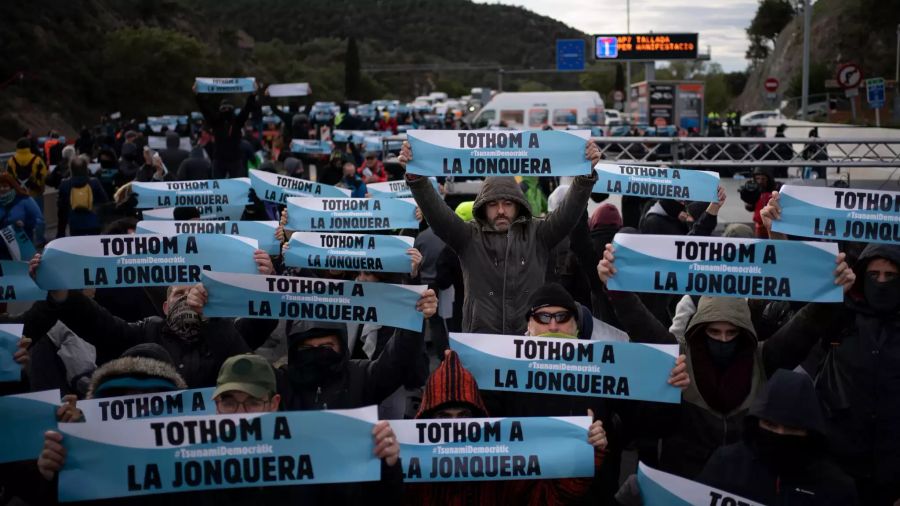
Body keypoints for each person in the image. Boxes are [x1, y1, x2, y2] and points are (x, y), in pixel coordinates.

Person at [597, 244, 855, 479]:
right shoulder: (679, 356)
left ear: (744, 333)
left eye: (731, 334)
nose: (723, 340)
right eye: (714, 333)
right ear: (699, 330)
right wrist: (615, 287)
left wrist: (831, 296)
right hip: (685, 478)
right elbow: (640, 323)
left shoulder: (762, 357)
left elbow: (803, 329)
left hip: (743, 481)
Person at [759, 192, 900, 504]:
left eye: (891, 276)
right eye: (874, 275)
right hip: (839, 459)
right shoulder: (840, 313)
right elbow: (798, 284)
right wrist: (776, 231)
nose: (882, 281)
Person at [399, 140, 600, 335]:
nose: (501, 210)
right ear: (483, 207)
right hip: (481, 343)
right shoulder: (468, 237)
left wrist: (584, 176)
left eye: (508, 204)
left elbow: (568, 214)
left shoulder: (539, 233)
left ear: (518, 204)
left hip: (528, 344)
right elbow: (437, 214)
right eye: (493, 204)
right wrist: (418, 180)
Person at [28, 248, 275, 386]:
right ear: (166, 307)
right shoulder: (147, 332)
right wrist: (63, 294)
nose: (188, 298)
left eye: (195, 293)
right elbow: (100, 325)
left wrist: (269, 281)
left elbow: (262, 321)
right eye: (180, 293)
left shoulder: (227, 331)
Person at [406, 349, 608, 506]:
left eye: (464, 416)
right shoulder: (406, 470)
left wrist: (586, 454)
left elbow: (549, 499)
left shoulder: (503, 466)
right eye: (443, 418)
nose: (455, 427)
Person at [698, 369, 858, 505]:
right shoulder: (725, 464)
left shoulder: (835, 487)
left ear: (809, 432)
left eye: (792, 428)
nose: (780, 434)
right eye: (771, 425)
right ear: (757, 422)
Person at [276, 288, 436, 411]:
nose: (317, 353)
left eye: (326, 347)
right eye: (307, 348)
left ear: (341, 345)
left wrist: (414, 316)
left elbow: (398, 360)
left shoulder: (361, 376)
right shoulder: (281, 381)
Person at [193, 81, 259, 179]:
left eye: (228, 108)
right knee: (218, 188)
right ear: (220, 109)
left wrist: (253, 94)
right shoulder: (216, 122)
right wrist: (197, 94)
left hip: (234, 160)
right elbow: (205, 109)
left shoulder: (237, 122)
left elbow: (247, 109)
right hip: (220, 160)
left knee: (237, 186)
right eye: (224, 108)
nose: (226, 111)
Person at [5, 137, 49, 245]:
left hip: (17, 195)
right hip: (35, 193)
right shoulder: (37, 160)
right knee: (38, 217)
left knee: (19, 217)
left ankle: (21, 241)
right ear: (29, 147)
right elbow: (44, 174)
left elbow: (8, 177)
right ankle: (39, 240)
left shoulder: (11, 161)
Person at [56, 154, 109, 237]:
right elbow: (105, 201)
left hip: (75, 224)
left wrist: (60, 232)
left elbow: (62, 210)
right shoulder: (94, 182)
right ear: (86, 168)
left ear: (71, 169)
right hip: (93, 222)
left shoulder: (65, 184)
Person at [0, 172, 43, 251]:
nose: (2, 189)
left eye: (5, 186)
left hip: (22, 246)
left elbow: (39, 219)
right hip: (2, 249)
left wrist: (25, 224)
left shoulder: (25, 200)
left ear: (12, 186)